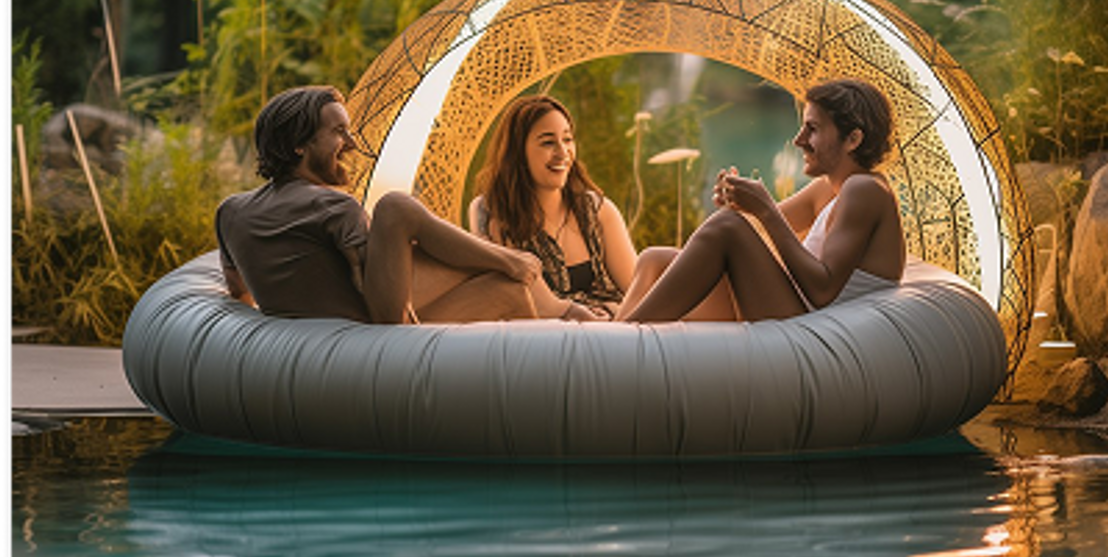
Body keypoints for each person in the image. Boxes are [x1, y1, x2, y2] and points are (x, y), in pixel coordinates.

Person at [217, 86, 595, 325]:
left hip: (339, 325)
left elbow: (241, 294)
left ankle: (538, 293)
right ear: (299, 145)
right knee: (397, 207)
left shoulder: (230, 212)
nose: (351, 144)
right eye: (338, 132)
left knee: (508, 291)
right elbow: (385, 306)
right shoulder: (334, 208)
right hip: (377, 331)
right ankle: (512, 262)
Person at [617, 78, 906, 322]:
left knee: (727, 226)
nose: (798, 140)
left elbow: (822, 289)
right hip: (794, 305)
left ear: (853, 139)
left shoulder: (865, 190)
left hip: (814, 324)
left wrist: (764, 209)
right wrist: (740, 201)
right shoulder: (827, 189)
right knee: (654, 260)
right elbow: (757, 230)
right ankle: (605, 340)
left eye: (813, 129)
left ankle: (624, 339)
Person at [468, 94, 638, 317]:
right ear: (518, 153)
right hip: (543, 340)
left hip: (609, 332)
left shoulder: (598, 212)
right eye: (548, 142)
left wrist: (611, 310)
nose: (562, 153)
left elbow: (639, 293)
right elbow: (505, 296)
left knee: (656, 258)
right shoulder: (490, 211)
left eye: (567, 139)